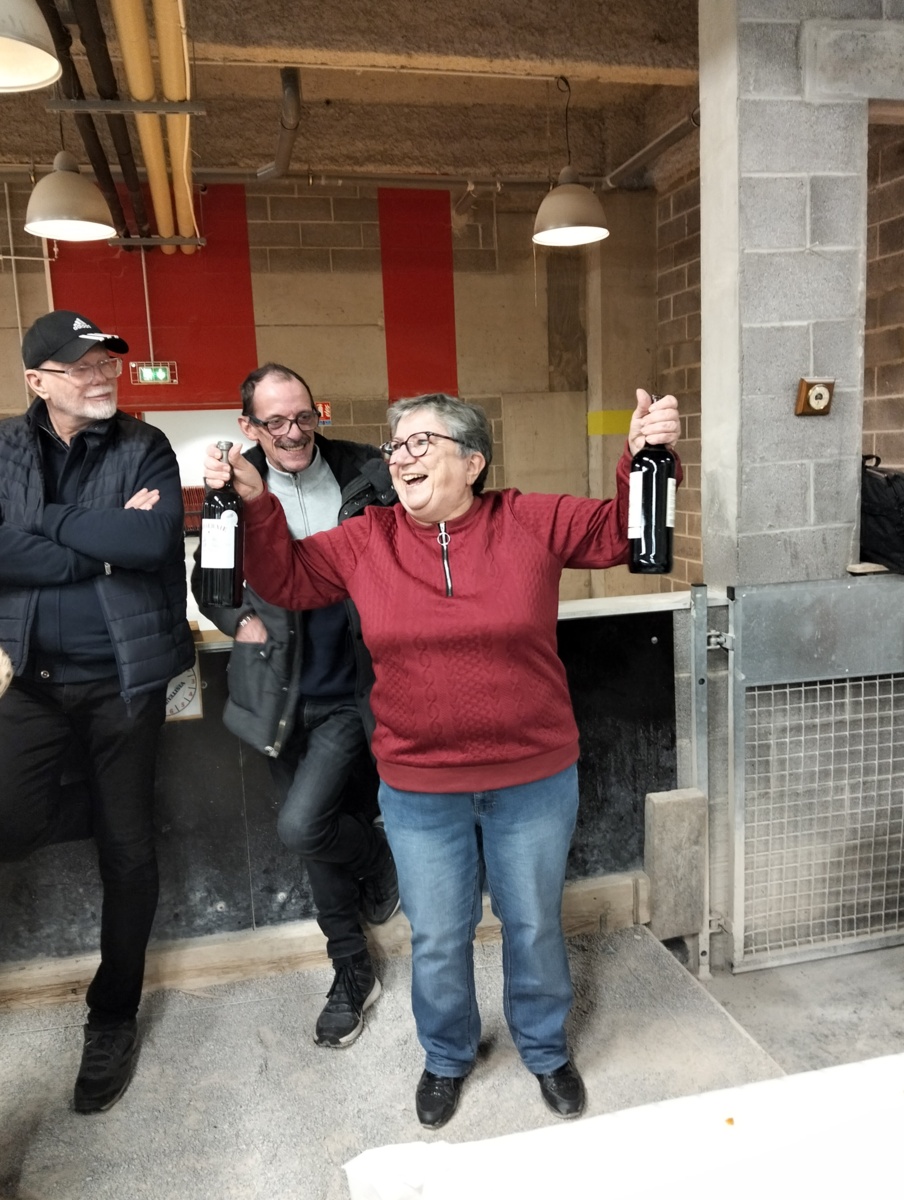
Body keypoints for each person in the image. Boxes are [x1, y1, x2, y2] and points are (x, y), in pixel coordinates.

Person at [202, 388, 681, 1129]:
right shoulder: (368, 538)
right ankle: (448, 1056)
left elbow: (624, 532)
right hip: (420, 787)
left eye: (421, 442)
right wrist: (257, 503)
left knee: (532, 924)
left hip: (532, 778)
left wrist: (644, 453)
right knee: (437, 935)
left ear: (474, 461)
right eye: (395, 446)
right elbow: (286, 579)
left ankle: (545, 1048)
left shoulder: (529, 519)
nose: (401, 457)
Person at [0, 309, 194, 1113]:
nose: (102, 375)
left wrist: (41, 524)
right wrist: (99, 545)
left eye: (107, 361)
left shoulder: (143, 445)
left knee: (128, 852)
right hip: (29, 680)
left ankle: (112, 1015)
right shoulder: (3, 448)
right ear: (38, 381)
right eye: (81, 366)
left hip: (123, 682)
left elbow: (152, 543)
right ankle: (84, 789)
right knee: (9, 823)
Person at [192, 363, 400, 1049]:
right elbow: (209, 578)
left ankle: (373, 874)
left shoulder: (367, 471)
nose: (293, 432)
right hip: (277, 694)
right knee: (313, 836)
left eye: (304, 416)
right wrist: (236, 618)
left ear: (318, 413)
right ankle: (352, 962)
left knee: (304, 824)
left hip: (351, 689)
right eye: (275, 421)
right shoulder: (234, 487)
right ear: (248, 426)